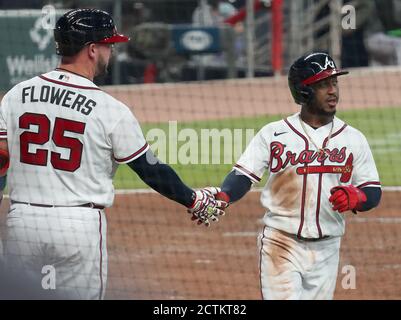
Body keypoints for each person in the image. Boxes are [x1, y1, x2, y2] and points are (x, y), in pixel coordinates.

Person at [0, 8, 226, 300]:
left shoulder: (17, 94)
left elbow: (1, 164)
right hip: (77, 226)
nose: (112, 50)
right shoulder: (110, 109)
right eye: (109, 44)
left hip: (23, 222)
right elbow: (149, 168)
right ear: (92, 49)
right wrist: (193, 199)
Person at [212, 52, 382, 300]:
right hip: (281, 244)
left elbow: (372, 190)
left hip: (327, 247)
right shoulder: (274, 134)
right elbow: (243, 175)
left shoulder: (353, 138)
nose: (332, 91)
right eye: (323, 85)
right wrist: (225, 195)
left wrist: (358, 197)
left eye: (334, 83)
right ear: (303, 91)